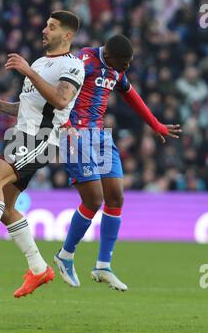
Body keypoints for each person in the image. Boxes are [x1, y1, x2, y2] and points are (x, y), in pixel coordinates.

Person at [0, 10, 85, 298]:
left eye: (51, 27)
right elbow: (30, 105)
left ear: (68, 36)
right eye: (46, 25)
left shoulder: (72, 66)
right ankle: (39, 268)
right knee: (7, 210)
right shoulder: (39, 63)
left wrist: (28, 71)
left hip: (42, 137)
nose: (44, 30)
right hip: (23, 135)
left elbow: (61, 100)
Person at [54, 35, 181, 291]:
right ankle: (65, 255)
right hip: (75, 134)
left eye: (129, 62)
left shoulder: (115, 69)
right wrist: (65, 124)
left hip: (100, 135)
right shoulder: (84, 61)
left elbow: (131, 95)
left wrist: (155, 124)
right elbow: (58, 94)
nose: (127, 67)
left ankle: (103, 265)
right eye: (124, 62)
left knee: (116, 198)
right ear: (109, 56)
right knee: (93, 200)